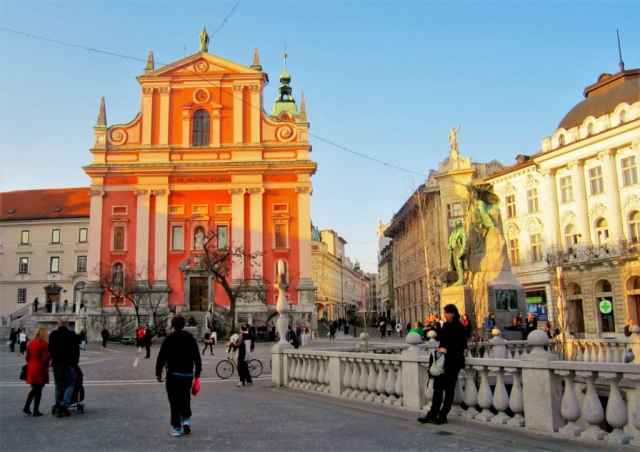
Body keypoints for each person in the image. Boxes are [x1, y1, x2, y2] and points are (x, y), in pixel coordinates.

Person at [418, 304, 467, 425]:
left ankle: (443, 415)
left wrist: (448, 350)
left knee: (449, 389)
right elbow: (441, 339)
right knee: (437, 388)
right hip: (442, 362)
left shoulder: (459, 326)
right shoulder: (445, 325)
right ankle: (432, 414)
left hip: (453, 362)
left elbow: (462, 344)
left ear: (453, 314)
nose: (444, 315)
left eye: (446, 313)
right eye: (444, 312)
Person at [156, 314, 202, 437]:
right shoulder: (190, 338)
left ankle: (176, 427)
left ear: (173, 326)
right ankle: (186, 419)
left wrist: (158, 373)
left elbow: (161, 357)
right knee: (185, 397)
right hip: (187, 375)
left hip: (174, 375)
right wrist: (197, 373)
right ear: (183, 325)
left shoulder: (169, 339)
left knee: (174, 400)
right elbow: (197, 357)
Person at [49, 317, 80, 418]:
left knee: (58, 386)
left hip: (57, 363)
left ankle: (58, 407)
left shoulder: (53, 334)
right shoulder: (72, 335)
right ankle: (64, 403)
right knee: (70, 384)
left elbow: (50, 350)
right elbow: (76, 350)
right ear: (67, 324)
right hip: (69, 363)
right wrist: (75, 363)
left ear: (58, 323)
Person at [23, 327, 50, 416]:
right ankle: (35, 410)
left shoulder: (31, 343)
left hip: (31, 367)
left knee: (35, 388)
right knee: (38, 390)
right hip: (40, 368)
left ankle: (27, 406)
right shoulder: (44, 344)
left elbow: (27, 357)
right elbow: (45, 358)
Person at [448, 218, 468, 286]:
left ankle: (462, 279)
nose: (453, 225)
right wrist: (450, 246)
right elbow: (451, 240)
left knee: (460, 264)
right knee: (456, 265)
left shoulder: (462, 231)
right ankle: (460, 279)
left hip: (459, 249)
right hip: (453, 250)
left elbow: (465, 241)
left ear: (457, 224)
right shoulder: (453, 232)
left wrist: (462, 251)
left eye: (454, 223)